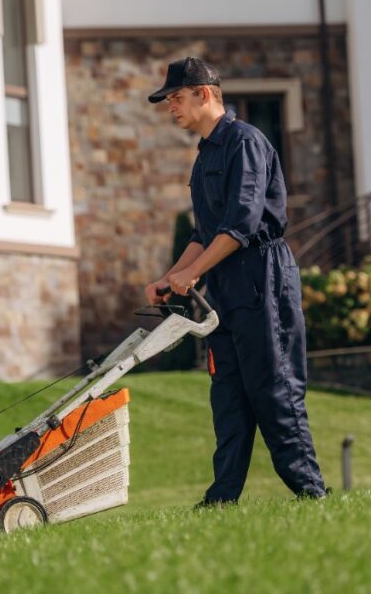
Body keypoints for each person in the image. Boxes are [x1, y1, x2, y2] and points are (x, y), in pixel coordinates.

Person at [144, 57, 327, 503]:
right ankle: (222, 499)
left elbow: (241, 226)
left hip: (262, 276)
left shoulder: (245, 142)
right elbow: (204, 233)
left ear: (204, 93)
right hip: (224, 285)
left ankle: (311, 492)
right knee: (227, 395)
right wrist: (169, 278)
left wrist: (193, 273)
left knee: (274, 387)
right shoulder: (206, 153)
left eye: (176, 98)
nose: (171, 107)